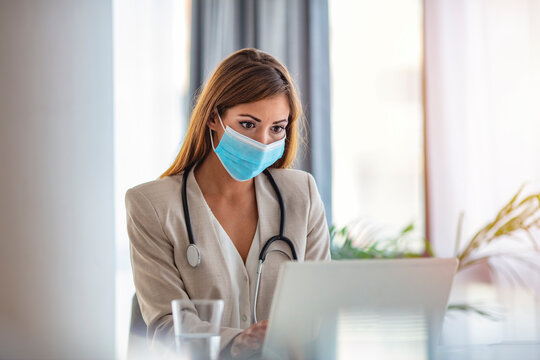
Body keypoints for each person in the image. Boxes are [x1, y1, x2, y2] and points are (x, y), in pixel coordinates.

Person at [125, 48, 330, 359]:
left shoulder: (302, 194)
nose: (263, 142)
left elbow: (320, 309)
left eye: (276, 128)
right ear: (212, 117)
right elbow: (165, 325)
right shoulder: (151, 205)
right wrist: (237, 341)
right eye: (248, 124)